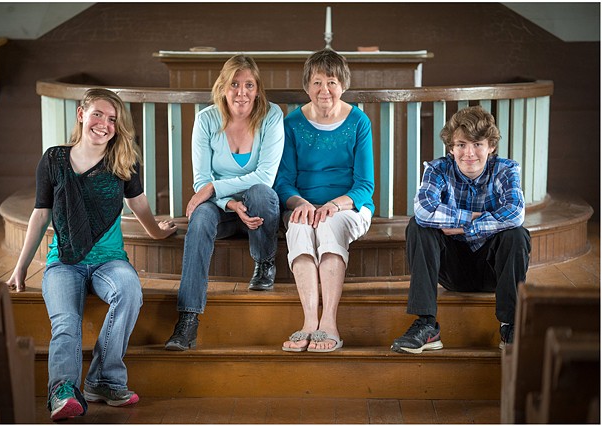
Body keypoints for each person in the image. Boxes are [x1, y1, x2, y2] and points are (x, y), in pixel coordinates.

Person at [5, 88, 178, 421]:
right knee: (66, 322)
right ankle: (63, 392)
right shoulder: (54, 159)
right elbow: (40, 214)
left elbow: (139, 204)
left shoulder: (124, 160)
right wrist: (20, 267)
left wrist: (156, 231)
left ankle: (104, 379)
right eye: (98, 114)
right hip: (63, 262)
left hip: (109, 261)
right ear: (82, 114)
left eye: (112, 119)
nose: (104, 124)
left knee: (129, 290)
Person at [164, 55, 284, 351]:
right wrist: (229, 203)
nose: (241, 92)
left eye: (249, 85)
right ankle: (188, 319)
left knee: (259, 192)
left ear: (258, 90)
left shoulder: (271, 115)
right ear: (222, 87)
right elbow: (201, 179)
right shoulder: (206, 120)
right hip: (223, 210)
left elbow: (265, 176)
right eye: (234, 84)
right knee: (200, 217)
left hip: (259, 210)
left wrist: (214, 188)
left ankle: (265, 262)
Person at [390, 105, 531, 354]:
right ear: (451, 148)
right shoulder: (437, 169)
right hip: (452, 270)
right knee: (418, 227)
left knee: (517, 234)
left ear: (491, 147)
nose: (469, 153)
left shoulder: (506, 169)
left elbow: (516, 214)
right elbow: (424, 211)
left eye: (478, 144)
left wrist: (460, 226)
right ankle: (426, 325)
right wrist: (479, 219)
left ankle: (511, 326)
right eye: (462, 144)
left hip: (493, 271)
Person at [274, 49, 375, 353]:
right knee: (300, 230)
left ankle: (329, 323)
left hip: (347, 207)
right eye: (317, 82)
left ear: (343, 85)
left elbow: (365, 185)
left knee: (330, 228)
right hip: (303, 204)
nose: (324, 90)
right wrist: (299, 203)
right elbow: (282, 181)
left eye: (331, 82)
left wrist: (335, 205)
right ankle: (308, 323)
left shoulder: (359, 121)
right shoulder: (292, 124)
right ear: (307, 87)